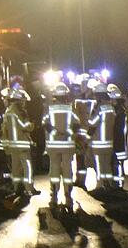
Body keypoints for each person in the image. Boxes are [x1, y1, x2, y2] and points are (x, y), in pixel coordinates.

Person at [43, 83, 80, 213]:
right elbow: (76, 124)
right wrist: (67, 133)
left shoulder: (49, 108)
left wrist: (55, 133)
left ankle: (54, 199)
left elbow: (45, 123)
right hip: (68, 145)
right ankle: (68, 199)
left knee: (54, 170)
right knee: (67, 171)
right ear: (65, 95)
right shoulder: (70, 108)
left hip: (53, 145)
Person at [0, 88, 37, 196]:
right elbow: (25, 127)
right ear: (18, 100)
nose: (24, 103)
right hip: (22, 144)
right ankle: (29, 188)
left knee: (15, 168)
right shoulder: (19, 111)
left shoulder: (7, 111)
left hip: (13, 145)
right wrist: (32, 124)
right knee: (27, 166)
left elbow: (4, 130)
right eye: (23, 101)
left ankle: (16, 188)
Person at [86, 83, 117, 190]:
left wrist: (92, 113)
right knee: (107, 164)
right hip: (109, 142)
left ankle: (100, 186)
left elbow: (92, 122)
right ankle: (109, 184)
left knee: (99, 165)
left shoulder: (99, 108)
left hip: (99, 143)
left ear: (98, 95)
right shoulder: (111, 108)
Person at [72, 81, 97, 189]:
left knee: (92, 159)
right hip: (83, 135)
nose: (81, 87)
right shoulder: (79, 100)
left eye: (83, 85)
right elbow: (75, 116)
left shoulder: (94, 100)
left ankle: (101, 183)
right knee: (80, 159)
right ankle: (80, 180)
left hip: (90, 135)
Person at [108, 83, 128, 188]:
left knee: (117, 164)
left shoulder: (119, 111)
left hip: (118, 141)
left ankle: (118, 185)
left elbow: (117, 126)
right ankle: (116, 184)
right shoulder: (119, 109)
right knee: (116, 164)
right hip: (118, 141)